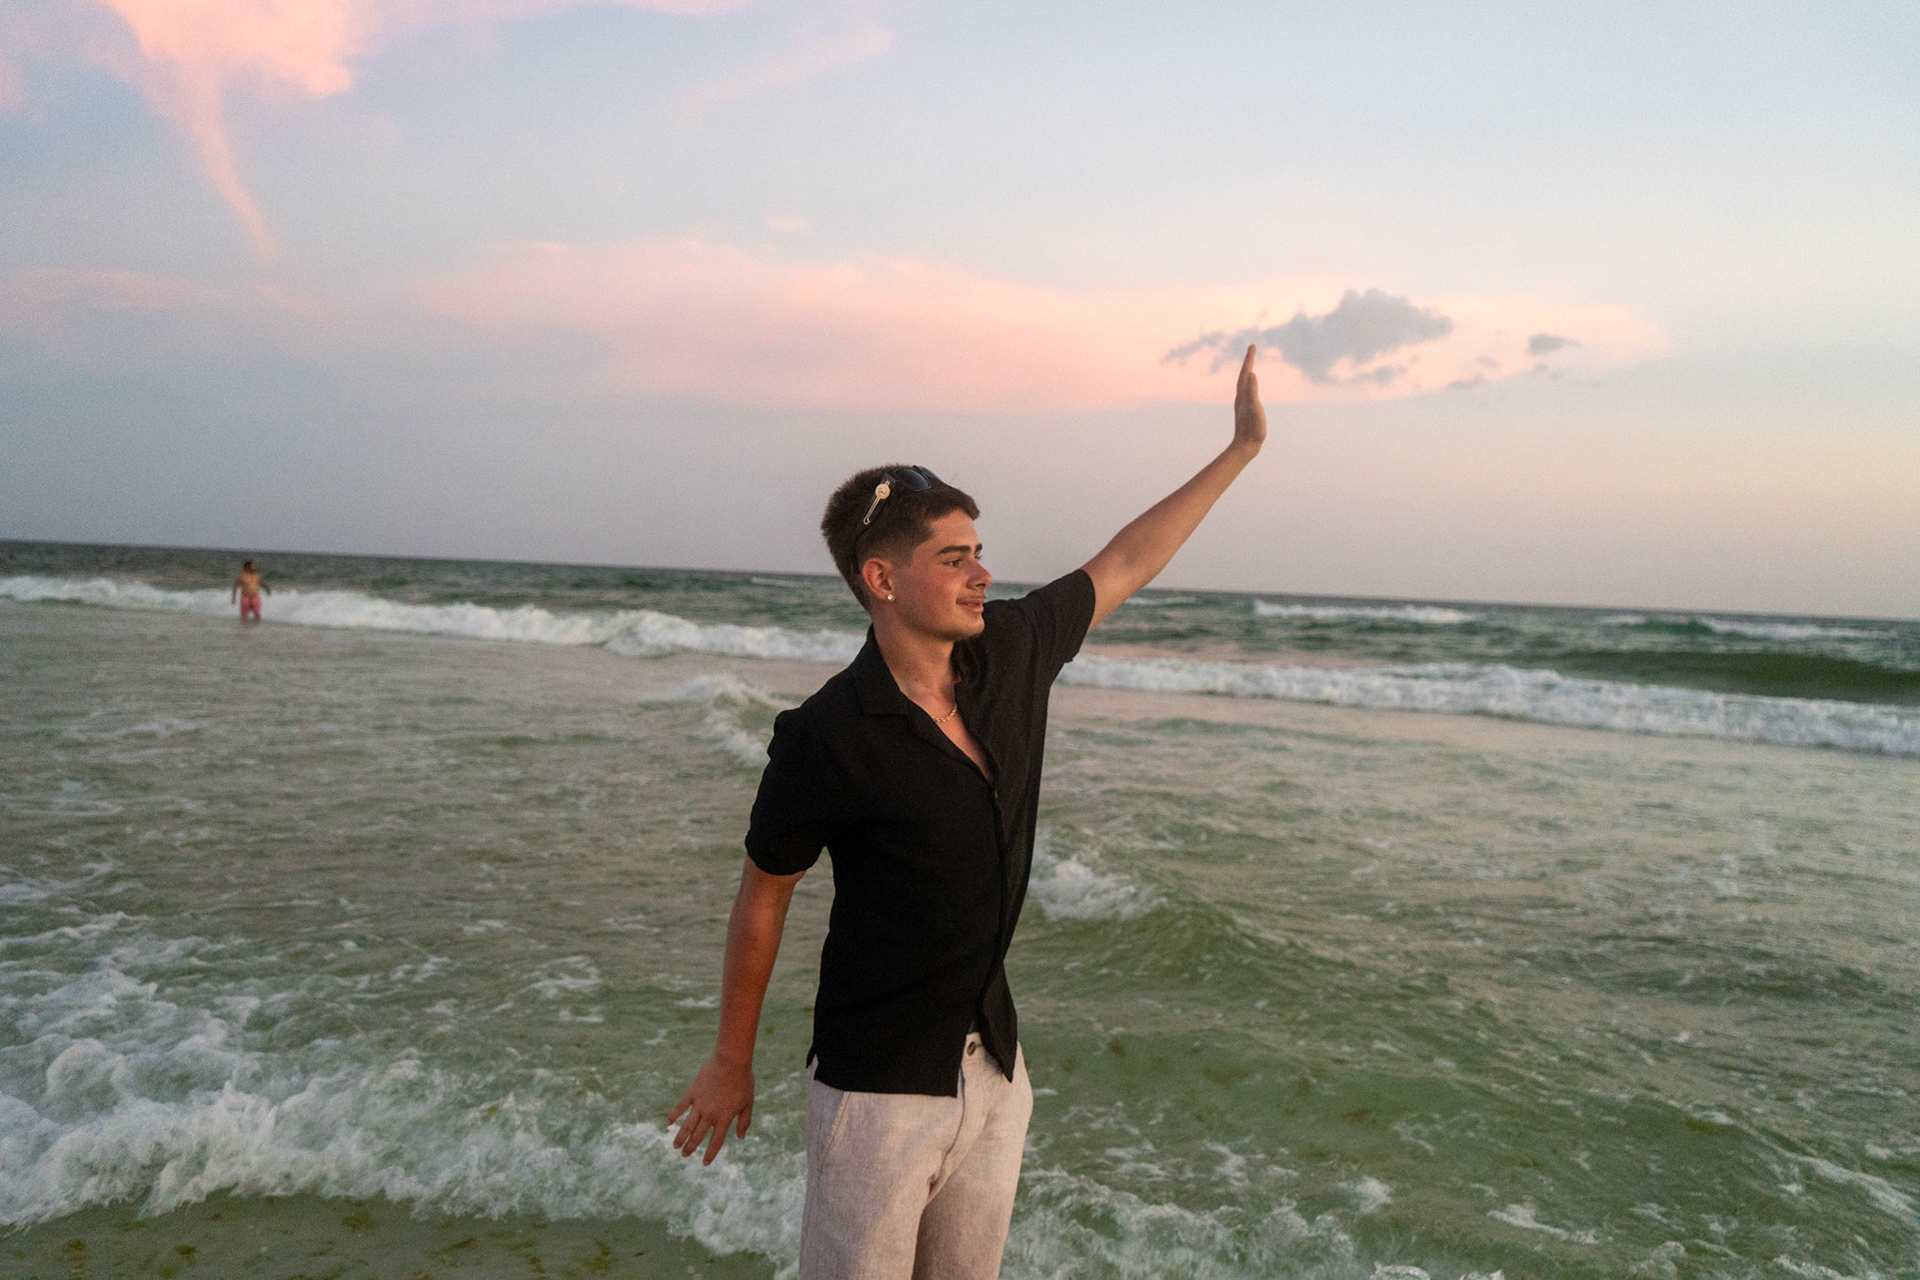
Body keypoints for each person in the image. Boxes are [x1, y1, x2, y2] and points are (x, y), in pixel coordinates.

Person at [669, 346, 1268, 1279]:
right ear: (882, 579)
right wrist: (730, 1059)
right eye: (954, 559)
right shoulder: (826, 735)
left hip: (994, 1070)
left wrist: (1239, 451)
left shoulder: (1011, 654)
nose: (982, 573)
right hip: (875, 1092)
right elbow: (764, 894)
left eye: (979, 553)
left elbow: (1126, 559)